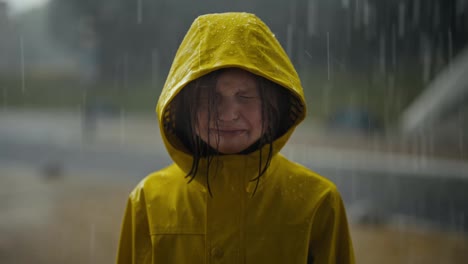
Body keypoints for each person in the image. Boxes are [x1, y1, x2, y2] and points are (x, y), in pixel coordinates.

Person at [116, 12, 355, 264]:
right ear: (185, 108)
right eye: (210, 99)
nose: (228, 114)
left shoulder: (318, 203)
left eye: (245, 96)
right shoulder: (148, 201)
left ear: (273, 105)